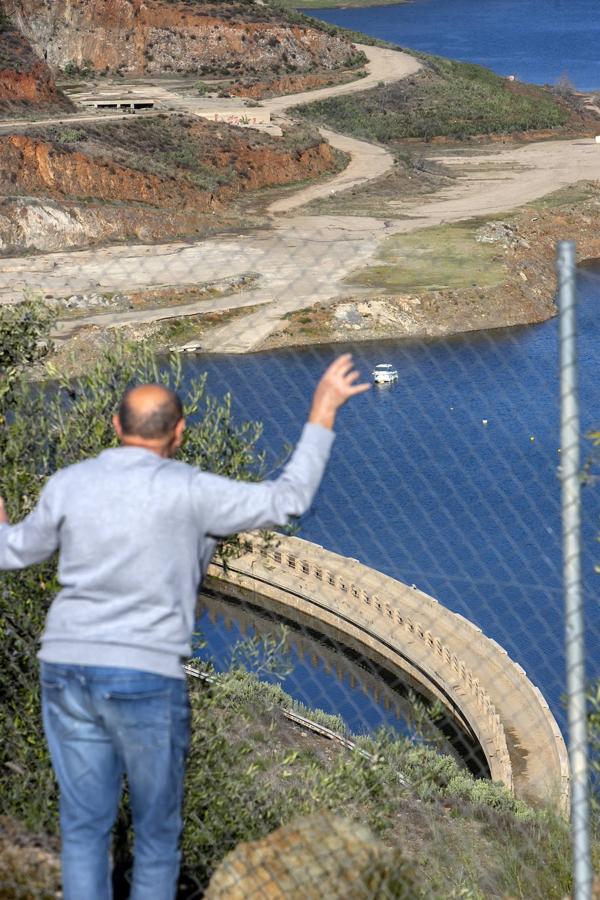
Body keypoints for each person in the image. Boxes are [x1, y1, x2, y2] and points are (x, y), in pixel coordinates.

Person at [0, 354, 369, 900]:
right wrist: (322, 411)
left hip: (68, 668)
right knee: (154, 834)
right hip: (144, 674)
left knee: (83, 828)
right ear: (179, 432)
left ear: (115, 427)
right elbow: (287, 501)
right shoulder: (195, 491)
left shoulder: (70, 484)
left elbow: (11, 552)